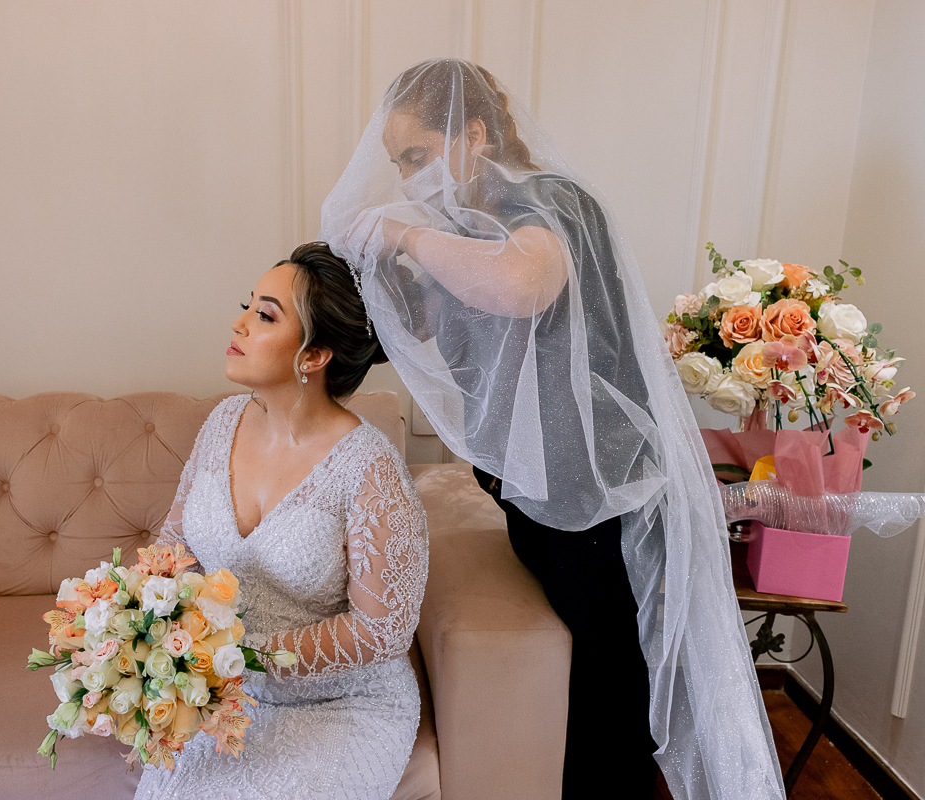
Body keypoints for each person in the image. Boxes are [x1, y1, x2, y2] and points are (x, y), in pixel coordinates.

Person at [322, 59, 785, 800]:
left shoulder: (548, 200)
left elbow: (524, 283)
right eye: (399, 164)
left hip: (597, 491)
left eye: (417, 155)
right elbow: (432, 326)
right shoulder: (468, 231)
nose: (408, 180)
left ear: (474, 134)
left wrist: (401, 236)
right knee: (585, 676)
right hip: (537, 493)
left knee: (610, 686)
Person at [135, 242, 428, 800]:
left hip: (342, 706)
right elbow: (174, 541)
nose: (239, 323)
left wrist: (244, 658)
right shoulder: (222, 421)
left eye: (265, 315)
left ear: (313, 356)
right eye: (247, 306)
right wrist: (151, 628)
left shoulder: (370, 468)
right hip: (225, 693)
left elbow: (382, 630)